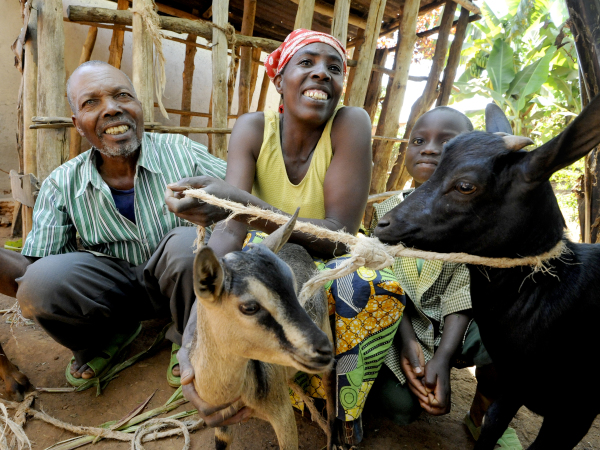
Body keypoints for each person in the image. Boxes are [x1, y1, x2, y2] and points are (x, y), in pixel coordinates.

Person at [166, 29, 405, 446]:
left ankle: (343, 412)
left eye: (334, 68)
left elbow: (341, 237)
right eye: (307, 63)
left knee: (367, 287)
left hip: (331, 257)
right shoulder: (254, 128)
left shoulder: (350, 123)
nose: (322, 74)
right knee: (219, 278)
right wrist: (194, 333)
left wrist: (242, 204)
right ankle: (269, 377)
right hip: (269, 253)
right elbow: (230, 232)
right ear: (279, 80)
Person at [0, 60, 226, 388]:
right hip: (114, 293)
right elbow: (41, 267)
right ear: (78, 124)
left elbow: (239, 196)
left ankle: (191, 337)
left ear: (139, 107)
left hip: (180, 281)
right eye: (91, 102)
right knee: (40, 283)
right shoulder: (62, 183)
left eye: (122, 96)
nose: (111, 109)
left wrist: (215, 211)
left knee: (186, 244)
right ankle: (102, 338)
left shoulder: (182, 152)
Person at [367, 107, 522, 449]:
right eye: (419, 140)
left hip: (458, 329)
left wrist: (443, 356)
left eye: (447, 143)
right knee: (403, 411)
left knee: (512, 328)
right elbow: (383, 282)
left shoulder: (475, 219)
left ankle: (483, 413)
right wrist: (408, 344)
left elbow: (461, 289)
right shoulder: (384, 214)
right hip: (401, 326)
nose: (429, 148)